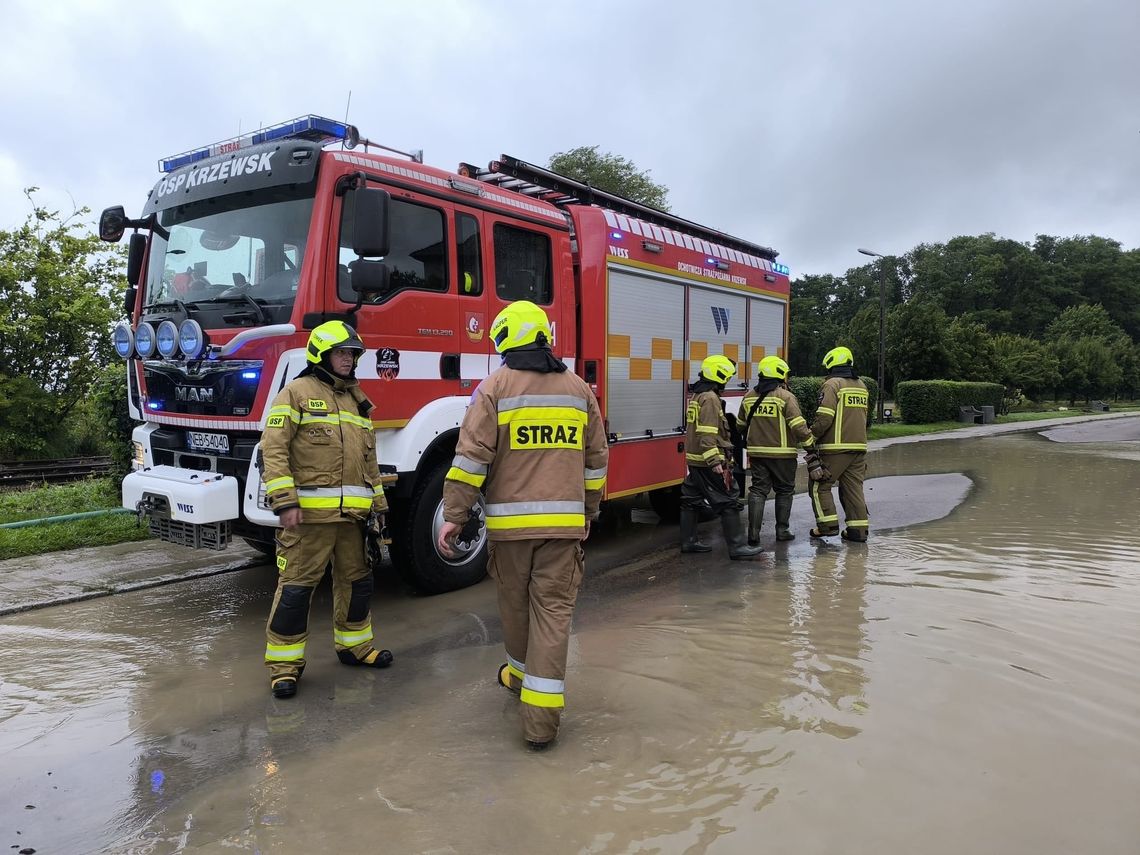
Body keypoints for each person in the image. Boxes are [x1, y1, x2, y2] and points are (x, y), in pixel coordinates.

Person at [437, 300, 608, 751]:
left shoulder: (492, 389)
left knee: (514, 608)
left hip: (511, 532)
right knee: (553, 616)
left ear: (506, 339)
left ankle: (517, 678)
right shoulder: (579, 390)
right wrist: (589, 511)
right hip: (564, 529)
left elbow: (471, 459)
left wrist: (454, 516)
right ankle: (540, 726)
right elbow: (596, 462)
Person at [259, 320, 393, 699]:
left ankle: (356, 647)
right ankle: (284, 667)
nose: (348, 359)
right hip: (308, 521)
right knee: (296, 592)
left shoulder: (357, 401)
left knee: (358, 586)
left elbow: (369, 461)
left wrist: (378, 506)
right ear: (321, 354)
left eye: (352, 353)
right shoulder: (295, 394)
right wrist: (284, 502)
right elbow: (274, 449)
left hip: (353, 521)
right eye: (341, 353)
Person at [679, 355, 763, 559]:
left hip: (696, 460)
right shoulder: (710, 398)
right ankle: (737, 548)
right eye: (726, 376)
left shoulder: (699, 395)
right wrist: (715, 461)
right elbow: (707, 433)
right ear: (719, 375)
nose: (727, 380)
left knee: (690, 499)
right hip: (709, 461)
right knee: (728, 499)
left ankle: (688, 542)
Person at [737, 355, 816, 545]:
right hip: (782, 455)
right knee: (785, 490)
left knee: (757, 491)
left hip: (756, 453)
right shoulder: (785, 397)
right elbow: (798, 426)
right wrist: (810, 446)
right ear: (779, 374)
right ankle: (782, 530)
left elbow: (740, 425)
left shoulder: (748, 397)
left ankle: (753, 535)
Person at [809, 345, 870, 542]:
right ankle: (858, 532)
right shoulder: (862, 385)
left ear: (831, 364)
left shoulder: (832, 384)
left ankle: (827, 526)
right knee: (853, 488)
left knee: (819, 486)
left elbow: (825, 417)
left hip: (834, 448)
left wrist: (811, 436)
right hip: (859, 447)